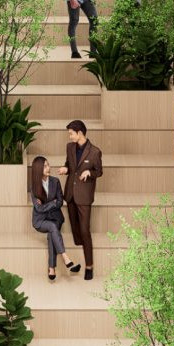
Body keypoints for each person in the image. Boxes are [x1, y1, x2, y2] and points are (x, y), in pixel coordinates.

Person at [63, 119, 104, 279]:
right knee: (76, 229)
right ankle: (79, 249)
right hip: (70, 194)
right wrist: (65, 169)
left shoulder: (95, 152)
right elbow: (69, 165)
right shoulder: (69, 147)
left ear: (79, 133)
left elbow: (99, 171)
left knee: (85, 231)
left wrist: (89, 173)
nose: (70, 137)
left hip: (84, 196)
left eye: (71, 134)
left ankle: (89, 266)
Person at [29, 154, 79, 280]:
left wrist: (47, 204)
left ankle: (52, 268)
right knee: (52, 227)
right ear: (38, 169)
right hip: (40, 221)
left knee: (52, 233)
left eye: (48, 165)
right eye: (45, 166)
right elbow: (39, 209)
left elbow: (60, 202)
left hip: (55, 218)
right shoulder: (34, 187)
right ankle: (65, 258)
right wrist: (52, 203)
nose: (48, 168)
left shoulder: (55, 181)